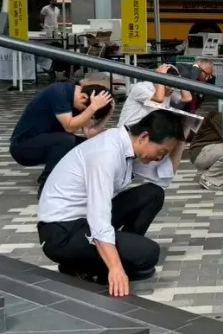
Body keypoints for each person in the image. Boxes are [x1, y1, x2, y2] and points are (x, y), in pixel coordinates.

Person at [36, 110, 185, 295]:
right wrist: (115, 268)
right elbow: (99, 218)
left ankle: (109, 259)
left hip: (83, 221)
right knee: (148, 254)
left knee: (153, 193)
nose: (159, 158)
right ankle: (88, 266)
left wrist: (183, 138)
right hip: (61, 233)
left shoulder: (126, 147)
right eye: (160, 152)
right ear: (144, 137)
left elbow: (162, 178)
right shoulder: (106, 154)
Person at [9, 82, 114, 189]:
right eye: (85, 110)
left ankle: (80, 180)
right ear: (83, 97)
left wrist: (108, 114)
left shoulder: (81, 102)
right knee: (66, 140)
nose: (85, 113)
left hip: (49, 141)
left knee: (91, 145)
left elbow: (90, 134)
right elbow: (69, 127)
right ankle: (47, 182)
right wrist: (92, 108)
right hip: (23, 147)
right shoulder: (59, 92)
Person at [117, 64, 194, 129]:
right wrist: (160, 77)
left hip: (146, 131)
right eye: (169, 86)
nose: (171, 89)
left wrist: (179, 78)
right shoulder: (141, 87)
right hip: (128, 129)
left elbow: (187, 98)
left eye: (174, 86)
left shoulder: (168, 89)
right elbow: (159, 98)